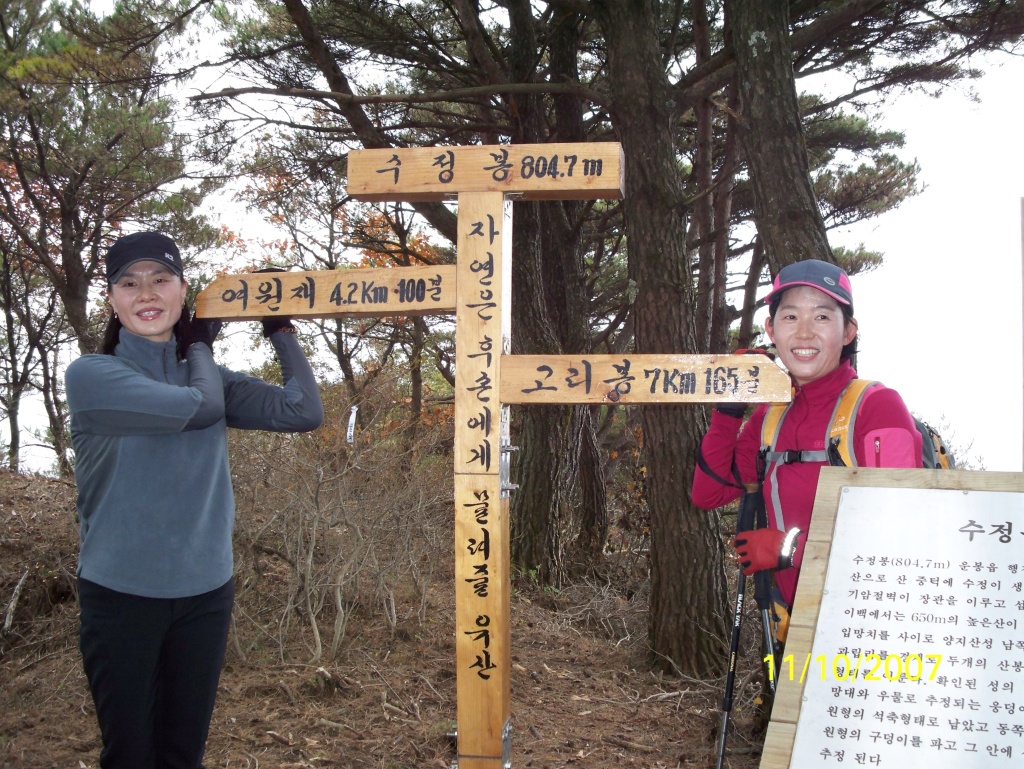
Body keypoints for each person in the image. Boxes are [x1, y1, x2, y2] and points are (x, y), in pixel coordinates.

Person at [65, 231, 324, 769]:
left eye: (161, 279)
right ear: (112, 299)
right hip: (120, 594)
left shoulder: (207, 377)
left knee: (183, 754)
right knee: (131, 754)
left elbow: (303, 412)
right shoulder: (94, 376)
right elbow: (200, 407)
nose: (147, 293)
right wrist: (199, 346)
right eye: (129, 283)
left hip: (206, 593)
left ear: (183, 291)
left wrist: (280, 329)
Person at [691, 259, 921, 612]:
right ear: (771, 328)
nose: (804, 333)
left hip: (866, 627)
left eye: (823, 317)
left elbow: (900, 541)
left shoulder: (877, 408)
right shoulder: (771, 418)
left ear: (848, 331)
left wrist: (789, 549)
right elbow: (708, 494)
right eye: (790, 316)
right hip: (792, 629)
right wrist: (729, 408)